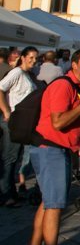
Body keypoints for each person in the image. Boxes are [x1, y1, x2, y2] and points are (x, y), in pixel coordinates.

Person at [22, 48, 80, 245]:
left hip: (60, 149)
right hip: (51, 148)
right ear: (74, 65)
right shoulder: (62, 86)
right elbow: (58, 122)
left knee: (48, 203)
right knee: (55, 206)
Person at [0, 46, 39, 208]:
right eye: (30, 57)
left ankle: (12, 193)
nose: (33, 60)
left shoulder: (29, 75)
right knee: (9, 158)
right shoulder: (16, 72)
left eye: (36, 58)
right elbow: (0, 89)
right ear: (22, 57)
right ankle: (5, 195)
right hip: (13, 121)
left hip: (24, 122)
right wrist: (7, 111)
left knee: (17, 158)